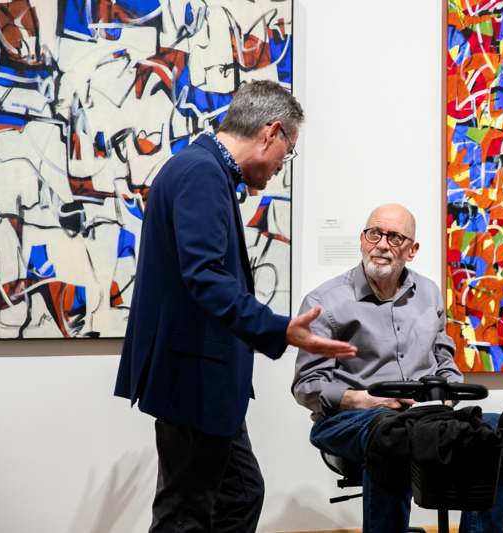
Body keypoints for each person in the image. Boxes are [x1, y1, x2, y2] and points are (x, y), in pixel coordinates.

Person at [114, 80, 357, 533]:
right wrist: (279, 328)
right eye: (289, 151)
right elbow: (205, 277)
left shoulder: (200, 169)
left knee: (239, 494)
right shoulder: (201, 173)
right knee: (185, 513)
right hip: (192, 378)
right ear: (271, 132)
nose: (283, 166)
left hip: (200, 379)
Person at [292, 203, 503, 533]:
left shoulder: (428, 294)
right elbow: (307, 386)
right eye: (374, 234)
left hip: (423, 416)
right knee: (392, 433)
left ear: (412, 250)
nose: (382, 244)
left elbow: (445, 362)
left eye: (395, 237)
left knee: (499, 432)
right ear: (362, 239)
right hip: (348, 421)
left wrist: (445, 396)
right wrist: (364, 399)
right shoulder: (324, 302)